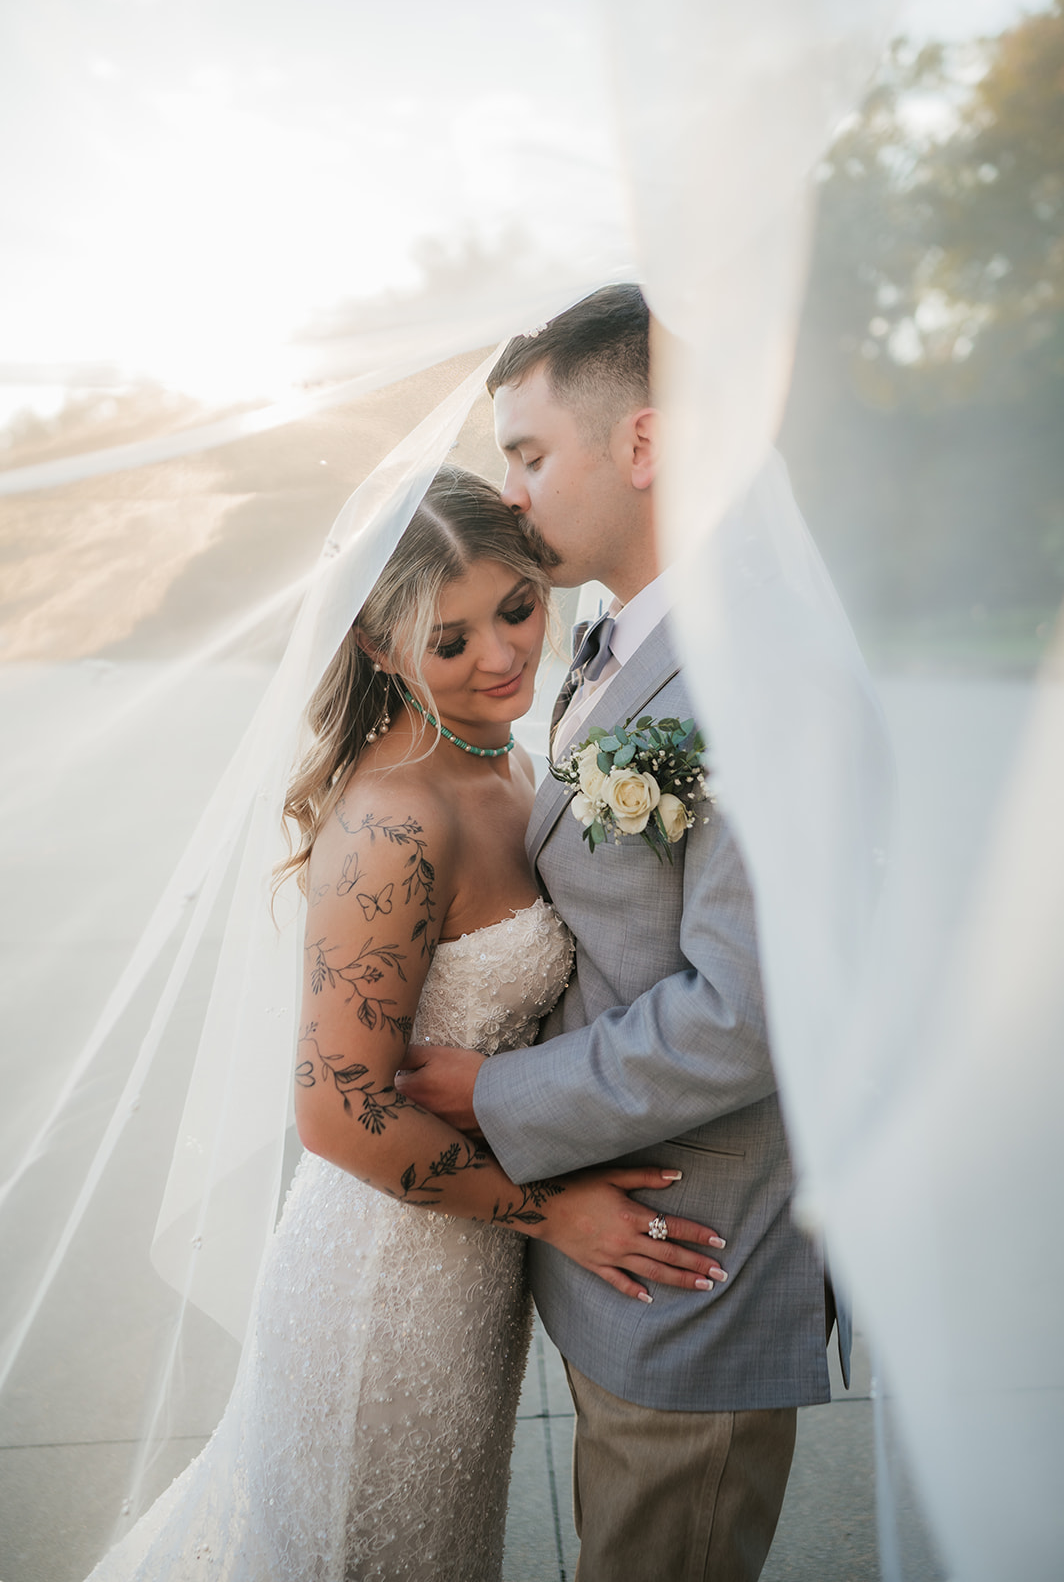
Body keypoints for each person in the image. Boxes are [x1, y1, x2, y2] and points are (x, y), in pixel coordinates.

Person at [82, 464, 726, 1582]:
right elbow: (335, 1113)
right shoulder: (394, 821)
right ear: (379, 648)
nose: (501, 654)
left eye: (518, 607)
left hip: (466, 1278)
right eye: (450, 639)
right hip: (382, 1288)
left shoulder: (505, 756)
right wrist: (553, 1213)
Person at [397, 289, 841, 1581]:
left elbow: (746, 1010)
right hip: (617, 1256)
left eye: (529, 454)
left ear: (642, 446)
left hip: (691, 1267)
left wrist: (497, 1090)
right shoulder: (615, 636)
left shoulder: (758, 670)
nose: (513, 496)